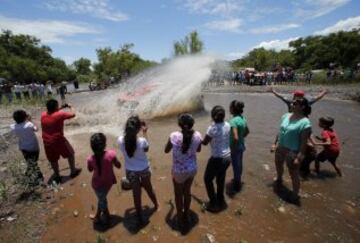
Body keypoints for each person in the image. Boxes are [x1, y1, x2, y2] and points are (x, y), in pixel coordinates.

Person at [117, 116, 158, 225]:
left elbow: (128, 139)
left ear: (126, 128)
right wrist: (145, 132)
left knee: (136, 193)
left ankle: (139, 215)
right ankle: (156, 205)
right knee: (149, 188)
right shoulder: (142, 141)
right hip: (144, 169)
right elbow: (147, 149)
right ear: (138, 130)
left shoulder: (120, 140)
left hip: (131, 172)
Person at [164, 113, 202, 229]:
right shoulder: (197, 135)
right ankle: (187, 214)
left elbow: (166, 150)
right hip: (191, 169)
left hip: (178, 171)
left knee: (178, 194)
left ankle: (180, 217)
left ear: (179, 125)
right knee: (187, 192)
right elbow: (199, 149)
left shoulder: (174, 135)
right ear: (192, 124)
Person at [273, 98, 312, 202]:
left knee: (293, 173)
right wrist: (275, 144)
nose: (292, 104)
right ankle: (279, 179)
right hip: (280, 147)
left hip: (292, 151)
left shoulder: (305, 122)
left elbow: (304, 143)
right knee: (278, 165)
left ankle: (295, 194)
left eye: (295, 103)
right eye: (292, 103)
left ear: (302, 107)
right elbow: (280, 131)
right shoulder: (285, 116)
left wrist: (299, 158)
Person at [41, 99, 81, 183]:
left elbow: (53, 112)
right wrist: (71, 107)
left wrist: (62, 107)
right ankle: (73, 171)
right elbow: (73, 114)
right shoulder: (60, 114)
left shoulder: (43, 114)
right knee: (70, 154)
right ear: (56, 107)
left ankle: (57, 175)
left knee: (53, 159)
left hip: (46, 141)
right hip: (58, 140)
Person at [87, 133, 121, 225]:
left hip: (97, 185)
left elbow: (90, 170)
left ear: (92, 147)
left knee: (102, 199)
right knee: (102, 200)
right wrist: (114, 161)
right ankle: (104, 216)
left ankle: (102, 216)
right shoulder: (111, 154)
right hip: (108, 183)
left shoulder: (90, 159)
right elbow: (119, 165)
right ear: (105, 145)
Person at [202, 106, 231, 212]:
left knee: (207, 179)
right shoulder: (228, 125)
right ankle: (221, 200)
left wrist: (197, 139)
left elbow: (205, 142)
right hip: (227, 157)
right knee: (220, 179)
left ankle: (213, 203)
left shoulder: (212, 128)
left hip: (217, 158)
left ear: (213, 116)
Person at [10, 110, 44, 185]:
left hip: (23, 148)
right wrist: (30, 120)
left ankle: (31, 176)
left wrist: (25, 119)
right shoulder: (29, 124)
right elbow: (36, 129)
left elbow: (16, 125)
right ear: (25, 117)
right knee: (33, 162)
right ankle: (37, 177)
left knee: (30, 162)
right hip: (33, 147)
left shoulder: (13, 127)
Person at [229, 100, 249, 192]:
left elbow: (235, 137)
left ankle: (237, 183)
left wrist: (232, 147)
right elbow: (247, 131)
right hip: (241, 145)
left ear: (233, 109)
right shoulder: (243, 119)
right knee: (239, 164)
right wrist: (242, 137)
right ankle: (238, 179)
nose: (229, 108)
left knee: (235, 165)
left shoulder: (233, 121)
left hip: (235, 147)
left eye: (230, 107)